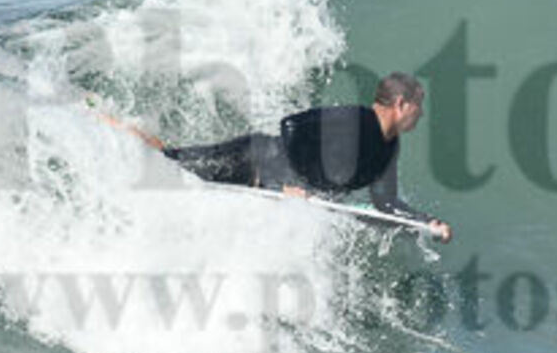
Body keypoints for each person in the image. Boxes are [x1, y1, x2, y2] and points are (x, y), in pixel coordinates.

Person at [127, 72, 452, 241]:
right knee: (167, 161)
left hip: (275, 189)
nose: (421, 114)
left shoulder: (389, 147)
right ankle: (113, 129)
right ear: (401, 105)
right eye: (418, 106)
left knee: (174, 172)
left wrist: (425, 221)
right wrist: (296, 184)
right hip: (251, 160)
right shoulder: (355, 120)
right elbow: (292, 126)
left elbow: (385, 202)